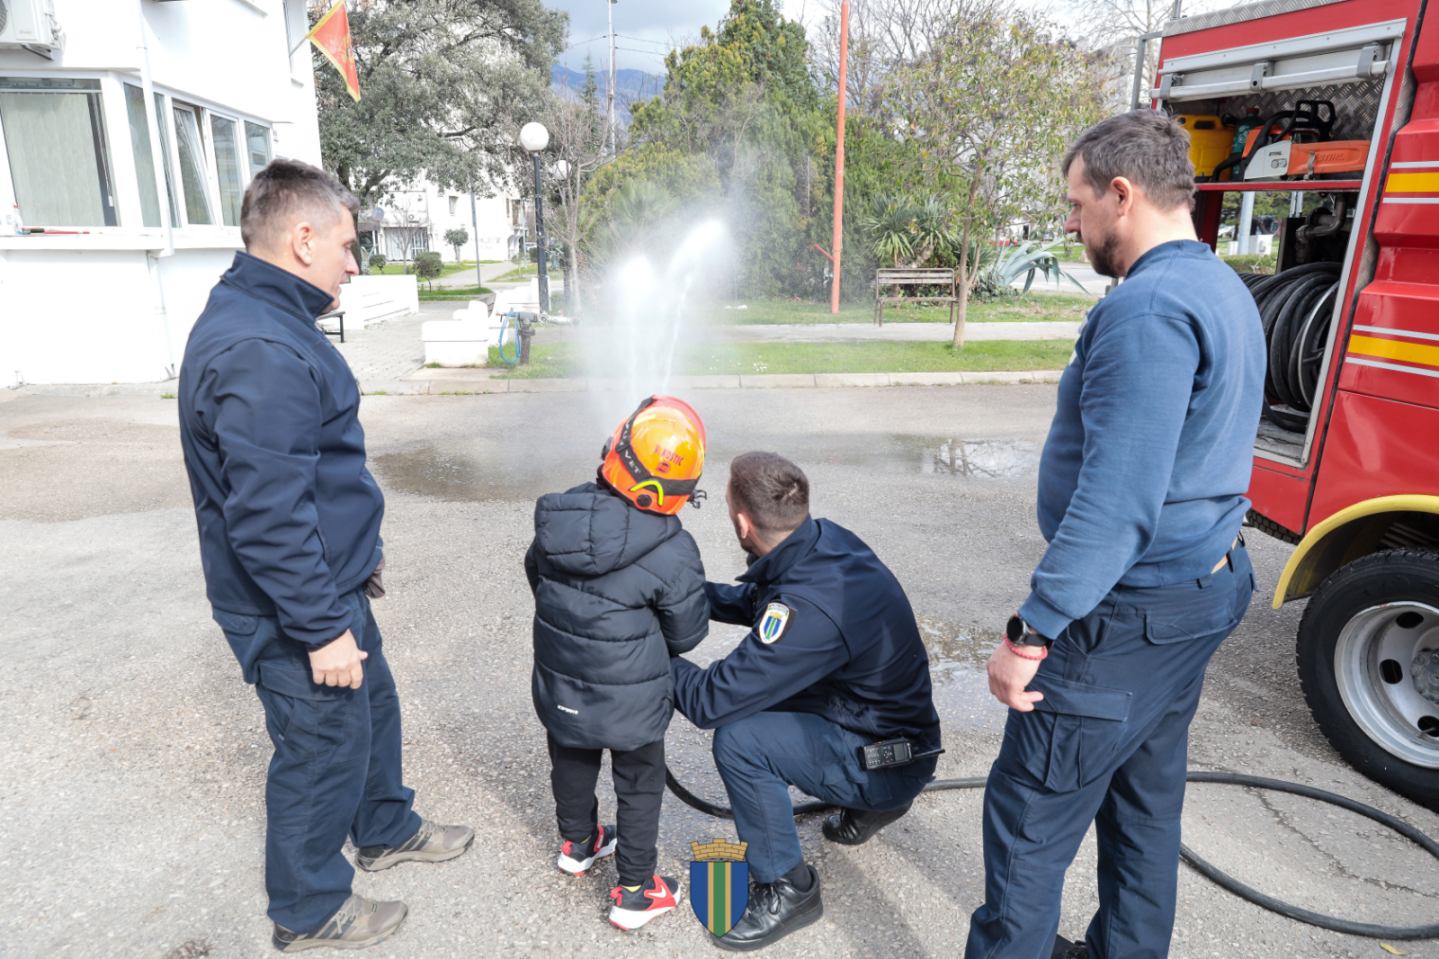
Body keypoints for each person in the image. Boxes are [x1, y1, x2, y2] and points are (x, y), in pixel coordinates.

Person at [964, 110, 1264, 959]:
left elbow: (1117, 498)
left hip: (1123, 616)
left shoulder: (1146, 309)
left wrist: (1031, 631)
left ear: (1121, 195)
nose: (1068, 223)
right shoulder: (1218, 284)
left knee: (1028, 819)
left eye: (1075, 202)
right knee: (1143, 801)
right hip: (1200, 587)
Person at [178, 159, 472, 953]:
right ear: (302, 238)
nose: (353, 261)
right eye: (346, 244)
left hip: (328, 583)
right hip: (292, 603)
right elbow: (268, 517)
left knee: (369, 706)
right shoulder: (260, 348)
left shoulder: (265, 314)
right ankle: (307, 907)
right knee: (318, 744)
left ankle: (381, 825)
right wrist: (319, 628)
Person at [671, 452, 942, 951]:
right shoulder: (824, 542)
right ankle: (875, 800)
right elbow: (760, 603)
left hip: (886, 759)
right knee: (764, 702)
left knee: (741, 741)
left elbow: (711, 701)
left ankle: (788, 889)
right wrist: (676, 596)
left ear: (741, 521)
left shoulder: (809, 609)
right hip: (895, 733)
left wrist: (641, 654)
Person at [525, 396, 710, 931]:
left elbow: (535, 575)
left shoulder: (561, 516)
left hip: (561, 680)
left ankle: (579, 844)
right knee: (639, 781)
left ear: (614, 451)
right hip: (633, 698)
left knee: (572, 756)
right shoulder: (673, 549)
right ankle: (634, 891)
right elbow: (688, 632)